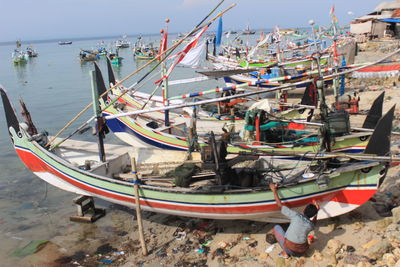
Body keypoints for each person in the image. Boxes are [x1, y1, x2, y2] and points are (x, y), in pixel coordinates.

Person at [269, 183, 320, 258]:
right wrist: (317, 212)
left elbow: (280, 206)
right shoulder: (310, 225)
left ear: (304, 210)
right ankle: (288, 252)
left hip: (290, 250)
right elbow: (314, 223)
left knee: (277, 227)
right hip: (303, 251)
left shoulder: (296, 216)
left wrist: (274, 190)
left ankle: (285, 253)